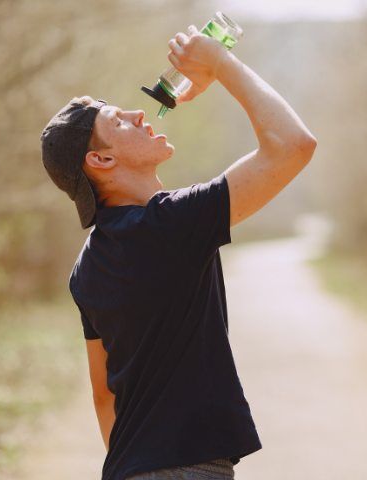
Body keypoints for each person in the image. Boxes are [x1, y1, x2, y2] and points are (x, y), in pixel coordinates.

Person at [39, 24, 316, 480]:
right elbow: (293, 145)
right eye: (117, 121)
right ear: (102, 161)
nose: (138, 114)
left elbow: (104, 395)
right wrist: (221, 64)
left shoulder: (86, 266)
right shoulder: (169, 225)